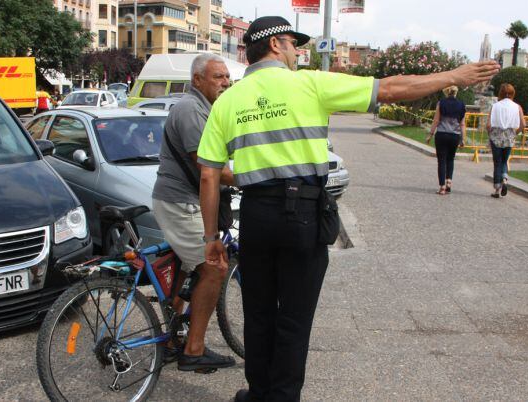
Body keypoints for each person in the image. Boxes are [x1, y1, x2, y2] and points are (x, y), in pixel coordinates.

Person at [195, 16, 500, 402]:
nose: (298, 52)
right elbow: (389, 89)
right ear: (276, 45)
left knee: (257, 315)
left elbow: (209, 175)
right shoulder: (309, 83)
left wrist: (210, 238)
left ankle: (259, 395)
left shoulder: (229, 99)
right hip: (301, 215)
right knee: (293, 319)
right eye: (294, 44)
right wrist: (454, 74)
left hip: (255, 216)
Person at [150, 53, 236, 371]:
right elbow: (208, 167)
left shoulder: (207, 108)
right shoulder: (190, 108)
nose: (225, 82)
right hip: (179, 202)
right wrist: (253, 176)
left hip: (182, 201)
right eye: (218, 77)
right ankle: (194, 349)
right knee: (214, 268)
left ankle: (172, 340)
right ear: (197, 80)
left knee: (189, 271)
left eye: (227, 76)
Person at [486, 83, 524, 198]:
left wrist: (490, 134)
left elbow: (488, 125)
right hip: (509, 135)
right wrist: (515, 133)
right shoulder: (517, 107)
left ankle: (497, 189)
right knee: (505, 160)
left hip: (496, 135)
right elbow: (523, 124)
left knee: (497, 162)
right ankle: (505, 179)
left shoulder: (496, 106)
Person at [426, 86, 466, 195]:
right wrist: (463, 138)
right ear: (456, 93)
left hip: (442, 135)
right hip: (455, 136)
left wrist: (430, 134)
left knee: (442, 160)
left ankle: (442, 187)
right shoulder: (461, 105)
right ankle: (449, 181)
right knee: (450, 159)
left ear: (446, 92)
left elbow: (436, 120)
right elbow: (462, 123)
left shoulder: (441, 103)